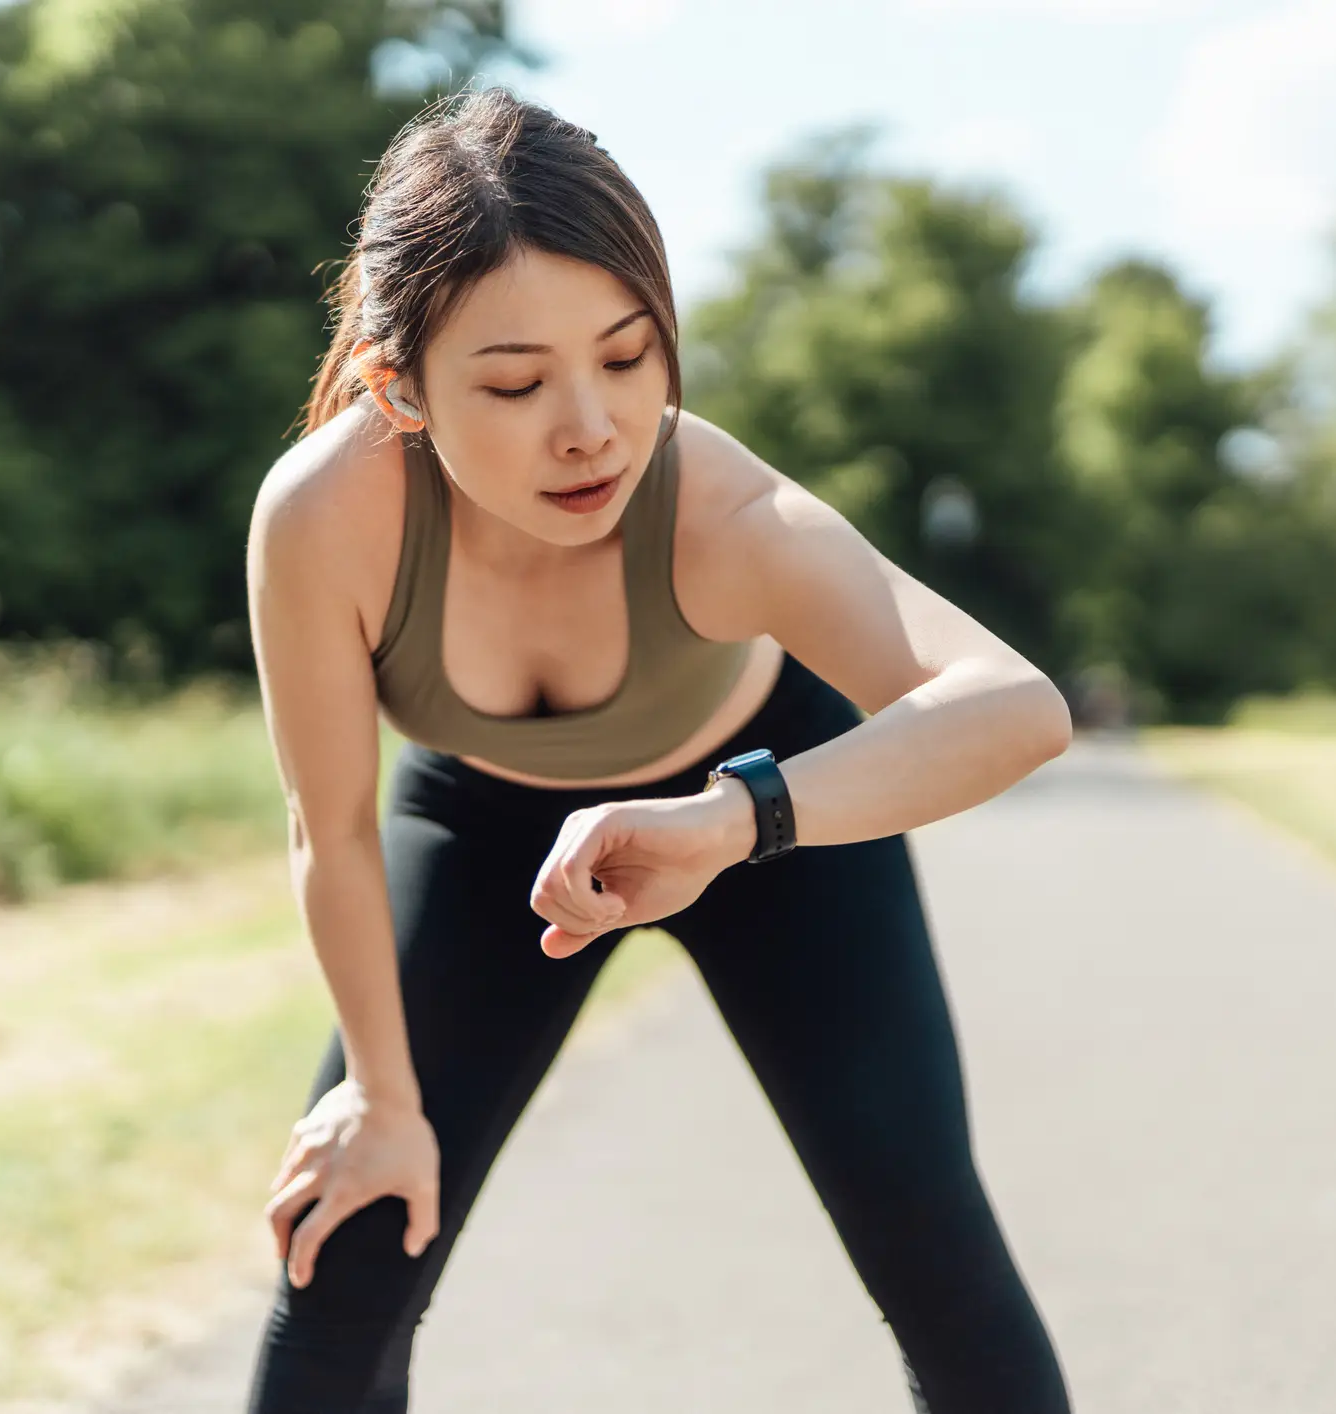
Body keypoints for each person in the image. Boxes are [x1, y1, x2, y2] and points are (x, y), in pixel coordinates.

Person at [242, 83, 1075, 1414]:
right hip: (481, 835)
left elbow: (1016, 704)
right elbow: (328, 829)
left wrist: (733, 818)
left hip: (766, 809)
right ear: (401, 389)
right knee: (341, 1268)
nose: (592, 427)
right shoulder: (326, 519)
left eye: (628, 358)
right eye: (515, 383)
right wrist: (384, 1099)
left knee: (934, 1252)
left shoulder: (724, 514)